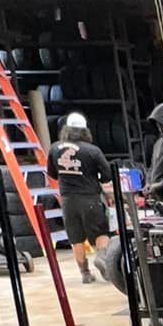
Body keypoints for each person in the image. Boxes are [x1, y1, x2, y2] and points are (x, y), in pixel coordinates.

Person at [45, 111, 114, 284]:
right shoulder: (92, 150)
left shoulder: (54, 148)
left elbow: (52, 173)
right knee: (101, 233)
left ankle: (85, 273)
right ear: (85, 131)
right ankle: (101, 258)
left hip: (68, 200)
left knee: (76, 238)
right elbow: (107, 175)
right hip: (90, 198)